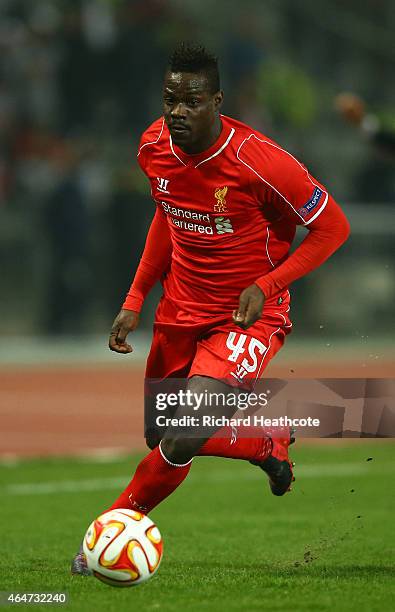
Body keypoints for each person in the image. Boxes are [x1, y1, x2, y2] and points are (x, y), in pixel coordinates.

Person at [71, 43, 350, 575]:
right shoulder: (153, 145)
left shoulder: (261, 163)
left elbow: (334, 227)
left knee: (183, 434)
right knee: (161, 432)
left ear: (217, 101)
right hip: (179, 310)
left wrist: (269, 285)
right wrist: (135, 298)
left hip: (246, 317)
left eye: (191, 101)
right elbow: (167, 213)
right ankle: (261, 442)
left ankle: (108, 531)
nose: (177, 111)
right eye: (170, 99)